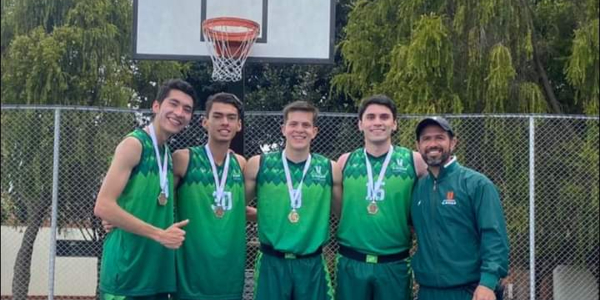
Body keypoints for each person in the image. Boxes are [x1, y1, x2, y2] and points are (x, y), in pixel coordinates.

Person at [94, 79, 197, 300]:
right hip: (127, 273)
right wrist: (160, 235)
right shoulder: (134, 144)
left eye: (187, 109)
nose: (179, 112)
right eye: (174, 104)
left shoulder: (166, 153)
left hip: (155, 275)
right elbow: (103, 205)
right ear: (156, 106)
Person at [244, 100, 342, 300]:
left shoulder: (329, 169)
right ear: (283, 129)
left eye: (306, 125)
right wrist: (264, 217)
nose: (299, 130)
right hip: (272, 261)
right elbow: (234, 206)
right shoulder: (259, 164)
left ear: (314, 131)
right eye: (293, 124)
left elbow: (344, 213)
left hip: (311, 263)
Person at [334, 95, 427, 300]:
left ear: (394, 124)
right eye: (371, 117)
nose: (377, 122)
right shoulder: (344, 162)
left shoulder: (414, 160)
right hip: (351, 261)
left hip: (394, 263)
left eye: (384, 117)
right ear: (360, 124)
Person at [410, 117, 509, 300]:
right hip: (427, 292)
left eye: (439, 138)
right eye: (426, 138)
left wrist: (488, 282)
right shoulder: (417, 189)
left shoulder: (477, 185)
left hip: (470, 292)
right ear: (418, 145)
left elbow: (494, 237)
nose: (433, 144)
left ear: (453, 142)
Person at [173, 92, 247, 300]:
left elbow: (241, 209)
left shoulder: (240, 164)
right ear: (205, 122)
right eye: (217, 116)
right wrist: (119, 214)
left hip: (230, 278)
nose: (225, 122)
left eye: (231, 117)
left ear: (238, 125)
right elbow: (157, 198)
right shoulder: (183, 159)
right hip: (191, 279)